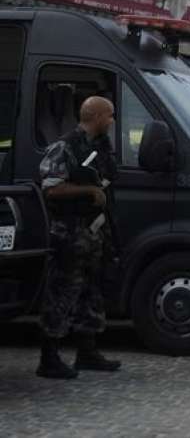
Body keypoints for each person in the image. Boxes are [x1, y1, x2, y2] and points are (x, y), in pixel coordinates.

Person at [36, 96, 121, 379]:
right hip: (68, 233)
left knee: (90, 292)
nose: (112, 121)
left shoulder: (99, 147)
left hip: (92, 232)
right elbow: (51, 188)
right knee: (62, 292)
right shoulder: (65, 147)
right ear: (95, 116)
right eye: (109, 115)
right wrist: (88, 191)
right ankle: (49, 357)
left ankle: (87, 351)